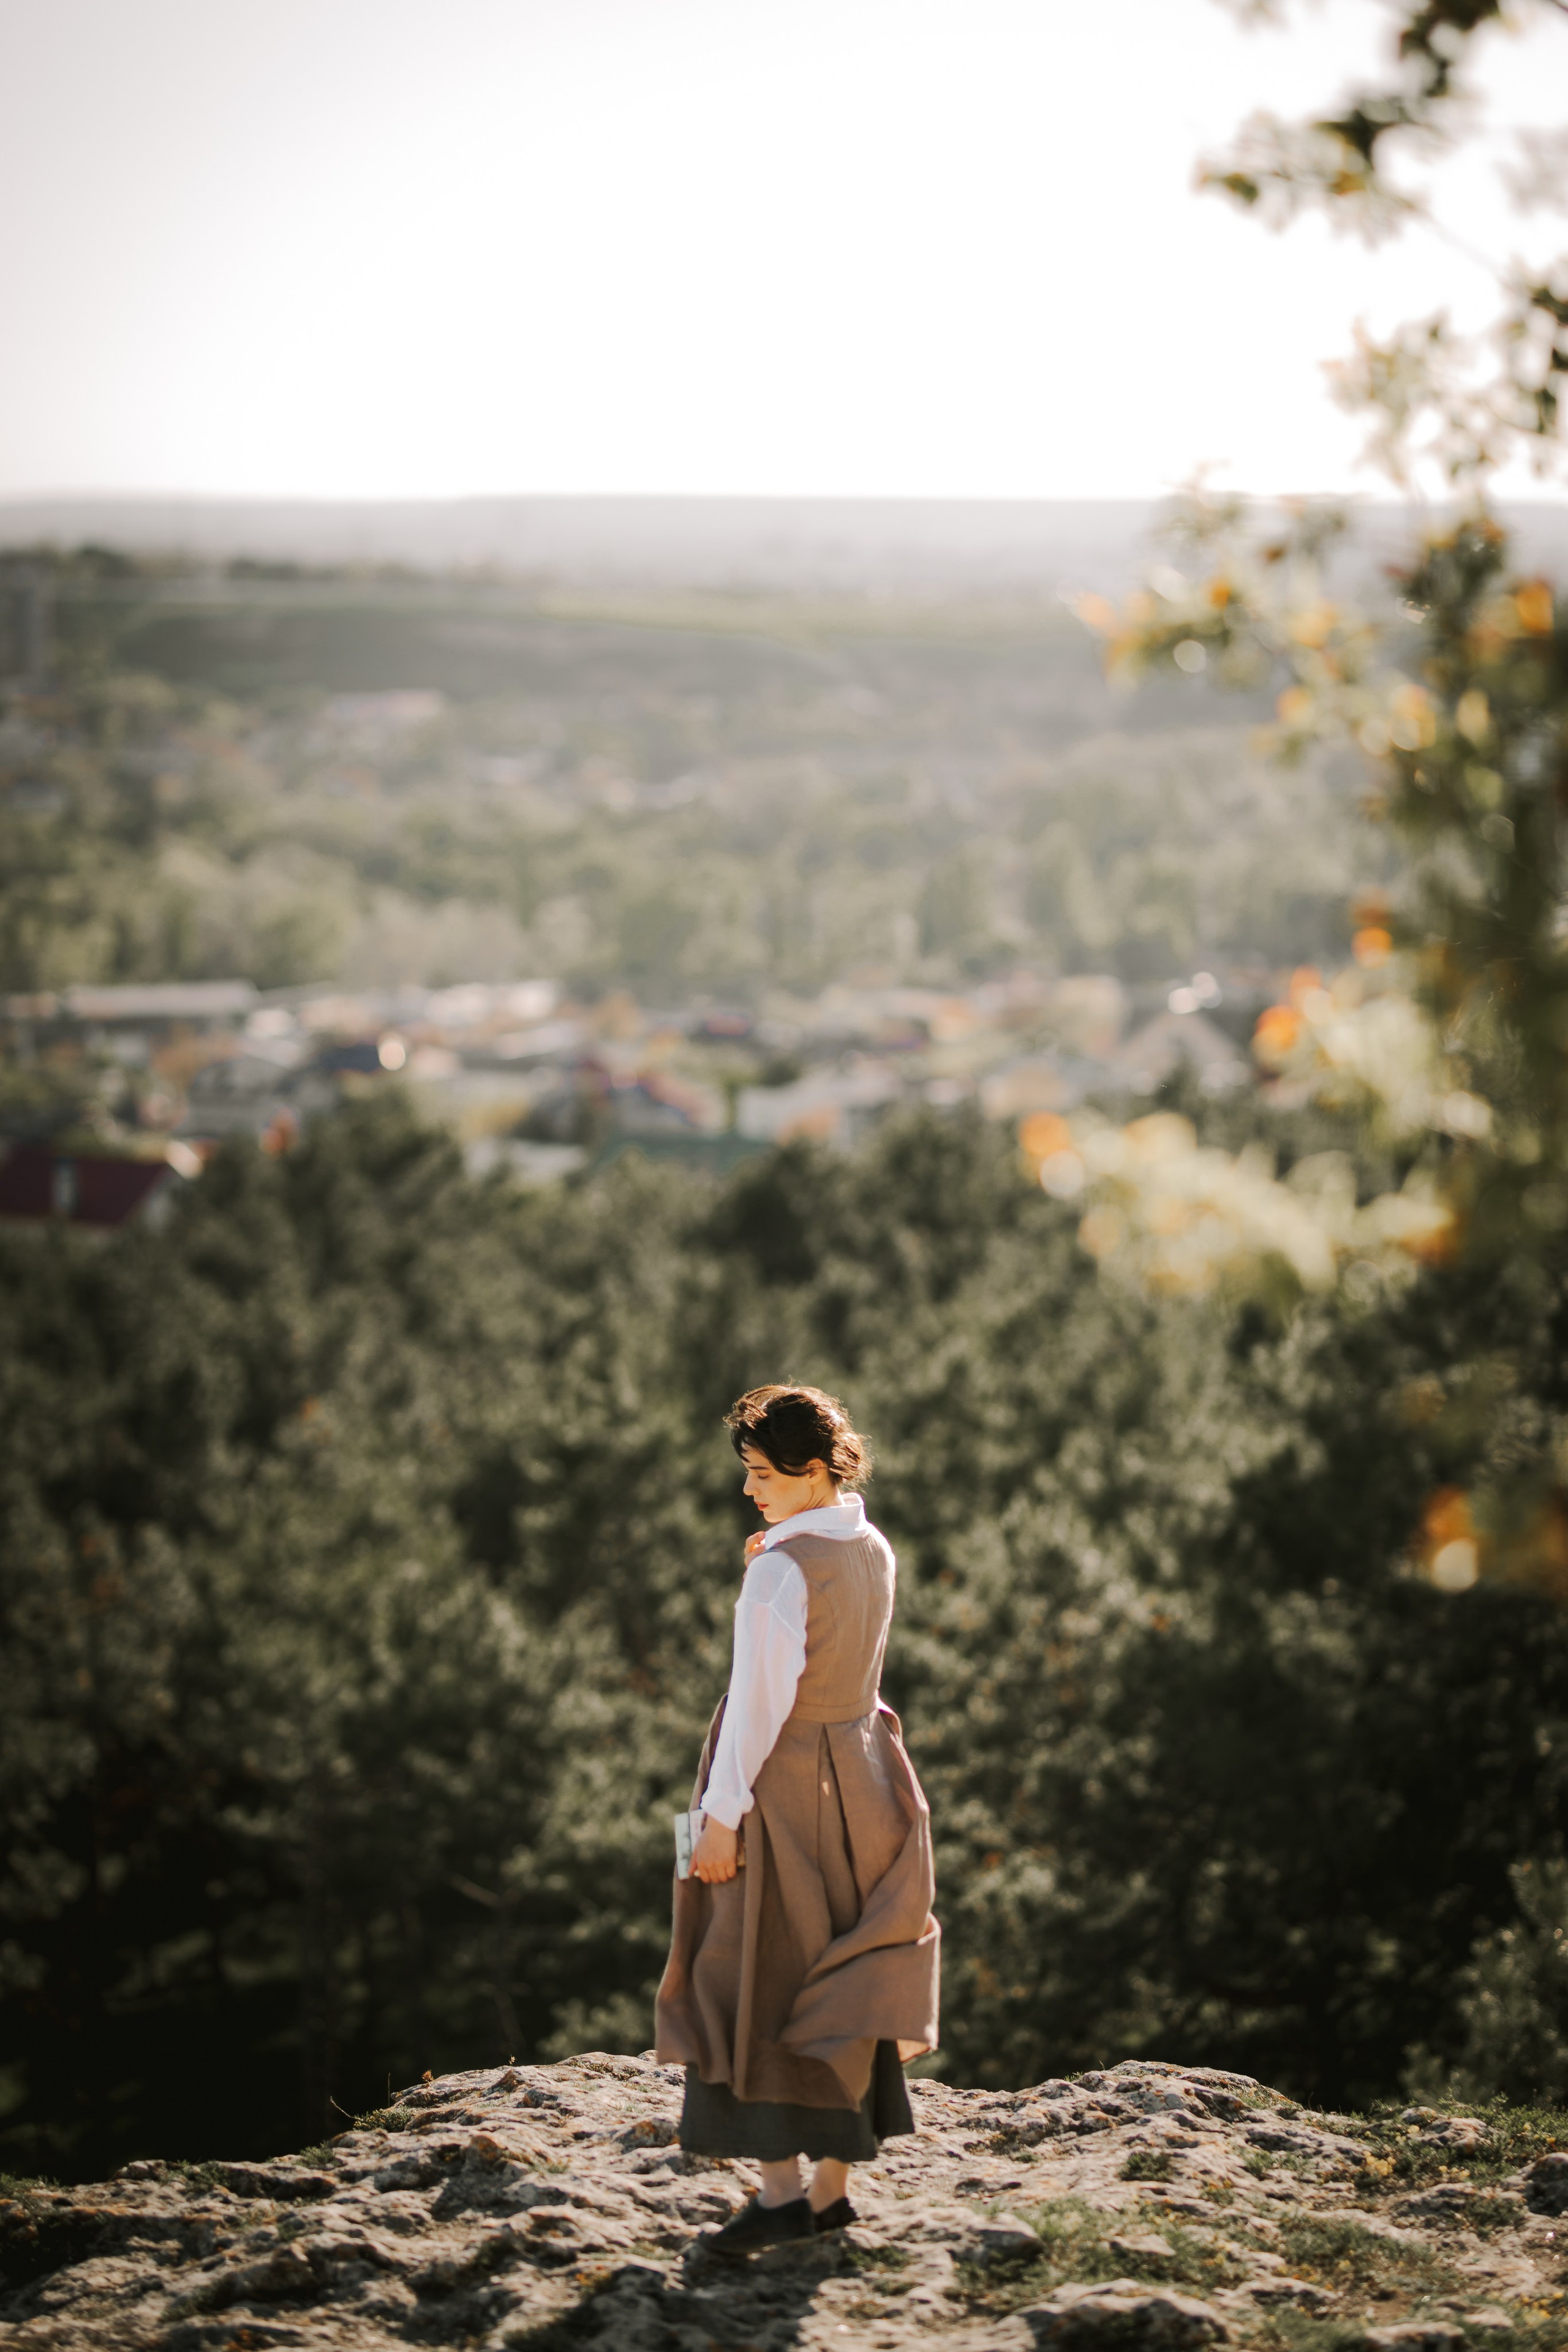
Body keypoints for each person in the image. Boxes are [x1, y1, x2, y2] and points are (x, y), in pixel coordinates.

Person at [654, 1384, 940, 2255]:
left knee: (753, 1975)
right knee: (843, 1972)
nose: (749, 1490)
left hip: (779, 1792)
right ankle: (829, 2191)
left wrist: (720, 1818)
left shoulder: (779, 1572)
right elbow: (848, 1663)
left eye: (760, 1473)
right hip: (862, 1779)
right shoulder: (870, 1546)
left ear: (812, 1471)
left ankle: (781, 2198)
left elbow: (757, 1709)